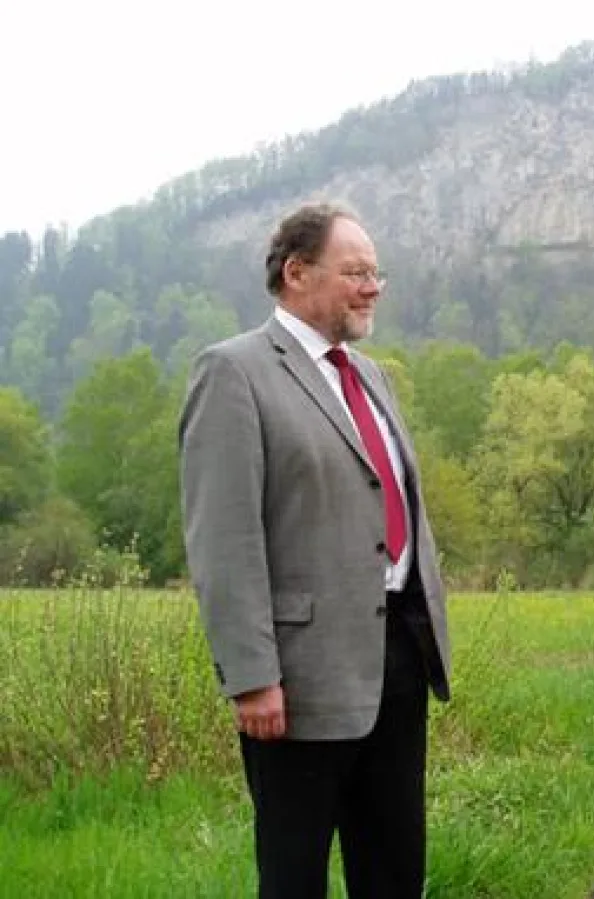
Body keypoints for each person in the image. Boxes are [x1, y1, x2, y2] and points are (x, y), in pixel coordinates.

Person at [179, 202, 451, 899]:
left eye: (376, 274)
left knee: (394, 869)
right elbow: (224, 538)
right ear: (297, 272)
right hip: (296, 682)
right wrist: (252, 676)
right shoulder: (233, 372)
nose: (373, 288)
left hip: (397, 660)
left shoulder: (373, 376)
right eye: (356, 271)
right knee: (295, 875)